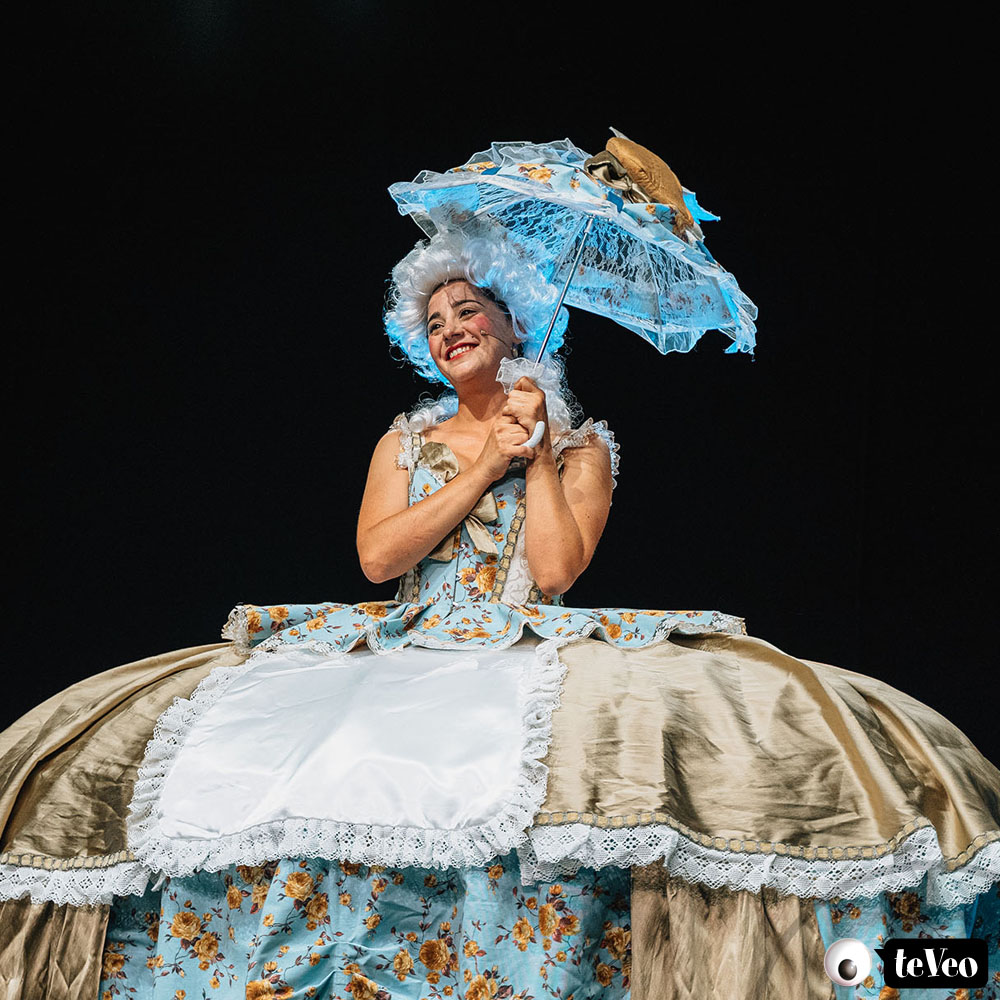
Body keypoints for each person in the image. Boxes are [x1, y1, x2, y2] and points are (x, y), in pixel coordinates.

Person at [0, 228, 997, 1000]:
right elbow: (378, 558)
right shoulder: (404, 440)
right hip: (413, 635)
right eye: (434, 322)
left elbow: (556, 572)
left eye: (468, 310)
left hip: (524, 639)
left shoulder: (584, 444)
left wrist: (538, 454)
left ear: (514, 325)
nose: (450, 329)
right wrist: (481, 466)